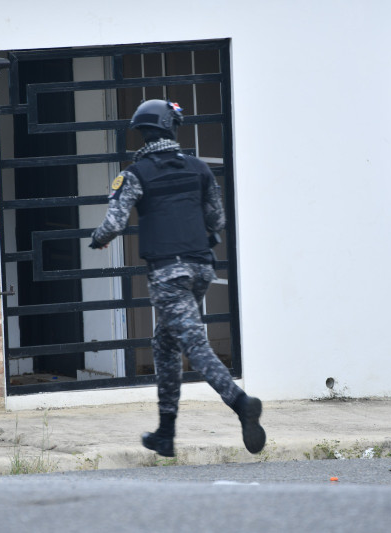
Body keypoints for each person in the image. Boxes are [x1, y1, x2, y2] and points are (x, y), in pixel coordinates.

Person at [89, 99, 266, 457]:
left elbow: (114, 223)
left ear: (143, 132)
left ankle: (240, 402)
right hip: (201, 269)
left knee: (194, 344)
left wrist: (97, 240)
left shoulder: (136, 173)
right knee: (165, 344)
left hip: (168, 275)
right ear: (171, 128)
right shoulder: (199, 168)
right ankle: (165, 434)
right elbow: (216, 220)